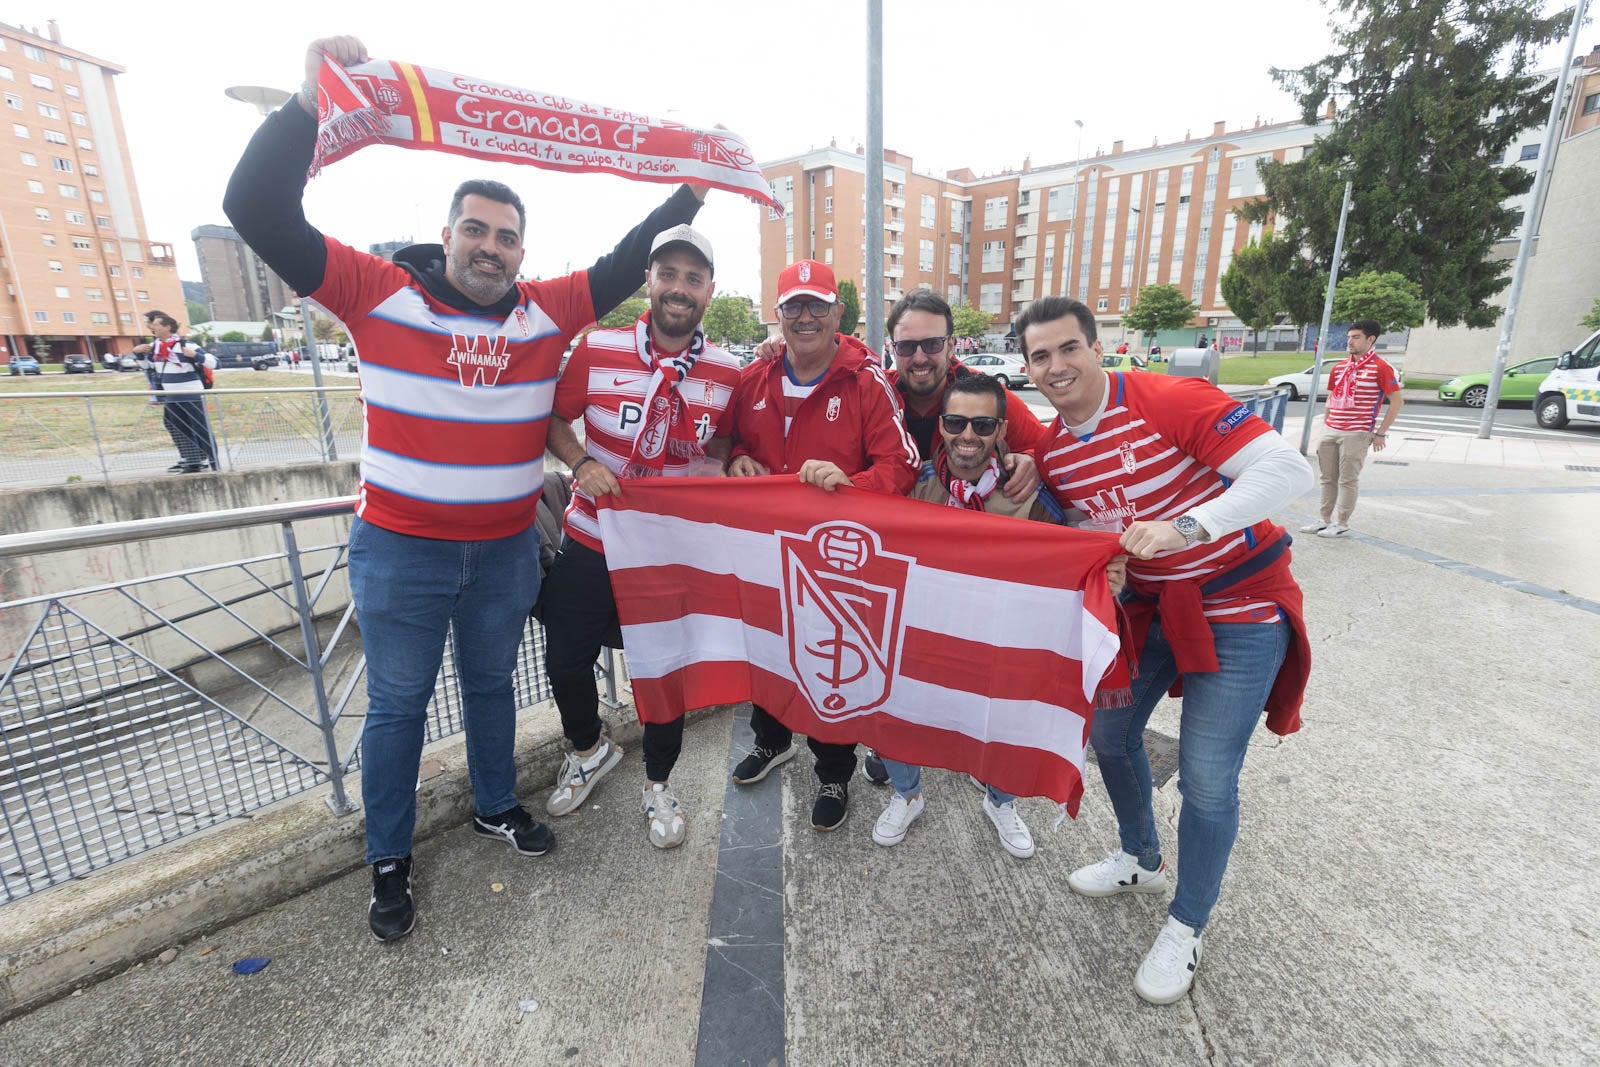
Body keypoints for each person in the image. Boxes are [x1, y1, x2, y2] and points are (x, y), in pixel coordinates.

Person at [222, 35, 710, 942]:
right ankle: (390, 855)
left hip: (503, 551)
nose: (490, 247)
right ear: (447, 235)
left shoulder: (546, 311)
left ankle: (494, 805)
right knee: (400, 705)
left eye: (507, 236)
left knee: (491, 685)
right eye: (475, 230)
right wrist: (303, 106)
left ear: (524, 250)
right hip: (400, 549)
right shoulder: (374, 291)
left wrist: (696, 182)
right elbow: (252, 206)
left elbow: (627, 256)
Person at [1018, 296, 1312, 1005]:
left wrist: (1189, 524)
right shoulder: (1055, 454)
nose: (1056, 367)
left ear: (1097, 348)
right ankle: (1140, 855)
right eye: (1039, 356)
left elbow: (1288, 472)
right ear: (1027, 369)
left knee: (1209, 776)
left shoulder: (1167, 397)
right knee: (1111, 734)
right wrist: (1108, 567)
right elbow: (1093, 538)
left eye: (1068, 349)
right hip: (1151, 610)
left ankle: (1187, 920)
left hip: (1240, 602)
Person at [870, 371, 1127, 858]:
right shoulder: (913, 484)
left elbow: (1080, 559)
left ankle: (1000, 799)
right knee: (895, 707)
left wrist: (1107, 575)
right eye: (956, 422)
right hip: (925, 632)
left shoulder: (1031, 494)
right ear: (941, 425)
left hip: (1001, 640)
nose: (968, 436)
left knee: (1010, 717)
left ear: (1003, 430)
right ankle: (907, 794)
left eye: (984, 425)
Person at [540, 225, 739, 850]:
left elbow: (728, 443)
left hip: (668, 550)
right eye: (668, 274)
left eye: (694, 278)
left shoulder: (728, 372)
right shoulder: (597, 348)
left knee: (662, 671)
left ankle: (658, 784)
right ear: (648, 282)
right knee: (564, 657)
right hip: (595, 533)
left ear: (710, 290)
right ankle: (588, 749)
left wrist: (723, 469)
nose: (680, 289)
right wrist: (581, 464)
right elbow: (552, 416)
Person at [723, 259, 919, 831]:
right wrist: (735, 458)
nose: (805, 318)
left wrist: (848, 485)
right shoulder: (751, 378)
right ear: (777, 316)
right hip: (765, 550)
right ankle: (770, 740)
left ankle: (834, 767)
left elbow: (902, 466)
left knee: (829, 658)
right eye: (793, 307)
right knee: (764, 649)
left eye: (817, 305)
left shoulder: (865, 380)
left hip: (833, 557)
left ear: (839, 312)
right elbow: (726, 443)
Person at [1300, 319, 1404, 538]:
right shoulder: (1340, 367)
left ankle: (1342, 522)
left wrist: (1380, 433)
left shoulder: (1381, 367)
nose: (1350, 341)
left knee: (1348, 479)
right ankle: (1324, 519)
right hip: (1332, 428)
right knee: (1327, 478)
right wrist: (1326, 425)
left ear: (1371, 339)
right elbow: (1332, 397)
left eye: (1356, 337)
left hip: (1357, 431)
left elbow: (1396, 401)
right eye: (1349, 337)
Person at [133, 311, 218, 474]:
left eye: (156, 324)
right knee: (179, 427)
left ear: (168, 327)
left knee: (200, 428)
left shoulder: (186, 345)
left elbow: (214, 363)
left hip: (191, 393)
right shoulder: (155, 348)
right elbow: (147, 367)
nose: (152, 327)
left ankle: (214, 461)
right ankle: (193, 462)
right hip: (171, 395)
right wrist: (137, 353)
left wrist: (195, 355)